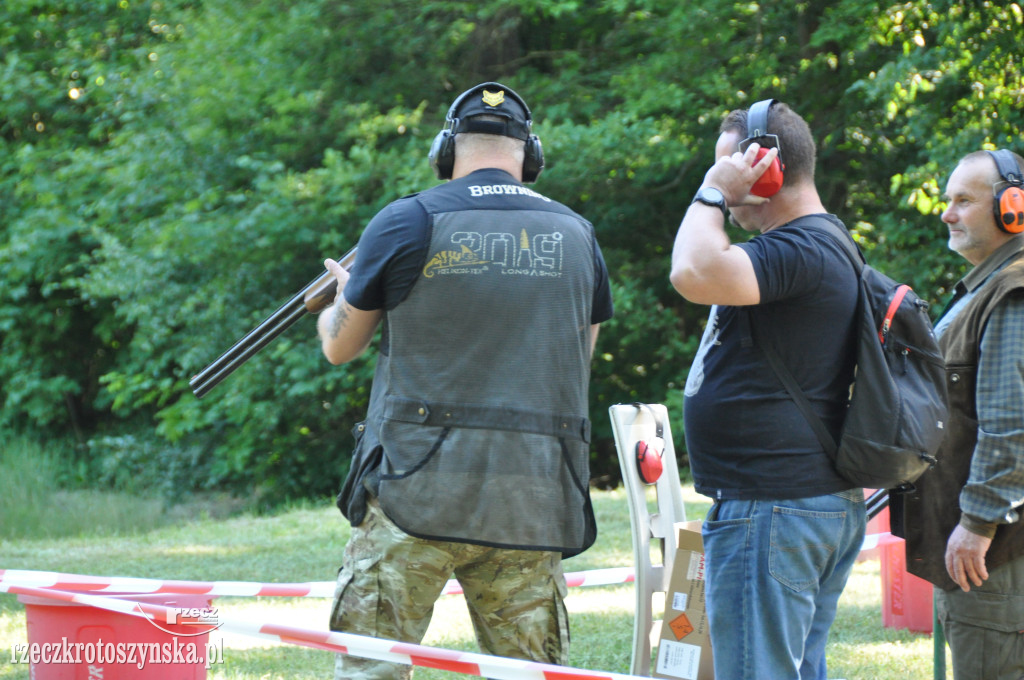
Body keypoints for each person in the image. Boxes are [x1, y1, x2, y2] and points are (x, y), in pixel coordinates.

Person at [315, 81, 613, 680]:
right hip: (528, 495)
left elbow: (338, 346)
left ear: (446, 150)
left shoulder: (405, 221)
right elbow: (578, 354)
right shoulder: (579, 235)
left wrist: (338, 299)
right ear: (530, 154)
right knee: (530, 676)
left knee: (373, 674)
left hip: (414, 489)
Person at [669, 99, 866, 680]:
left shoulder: (801, 248)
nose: (722, 179)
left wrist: (712, 193)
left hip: (774, 504)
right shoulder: (815, 246)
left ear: (767, 167)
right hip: (790, 503)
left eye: (728, 165)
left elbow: (692, 273)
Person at [894, 149, 1024, 679]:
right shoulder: (989, 289)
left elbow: (1010, 421)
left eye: (963, 200)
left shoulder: (1012, 293)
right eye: (948, 200)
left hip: (994, 553)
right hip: (987, 548)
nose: (947, 213)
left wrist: (977, 523)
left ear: (1012, 207)